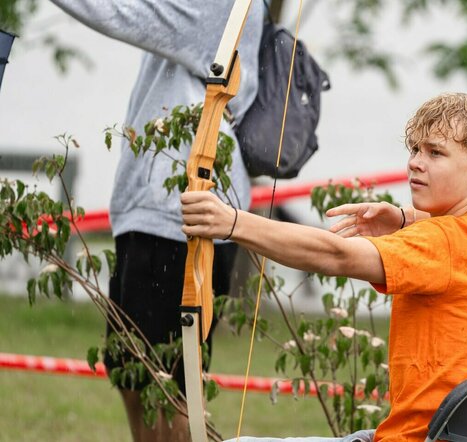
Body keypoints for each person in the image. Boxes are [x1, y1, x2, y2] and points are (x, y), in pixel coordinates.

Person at [181, 93, 467, 441]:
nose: (415, 162)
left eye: (435, 152)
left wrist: (231, 223)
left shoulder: (438, 241)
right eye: (414, 149)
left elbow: (338, 256)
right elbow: (464, 245)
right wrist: (403, 218)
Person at [49, 1, 264, 440]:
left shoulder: (219, 6)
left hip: (177, 219)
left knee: (168, 381)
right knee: (132, 371)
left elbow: (115, 11)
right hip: (161, 216)